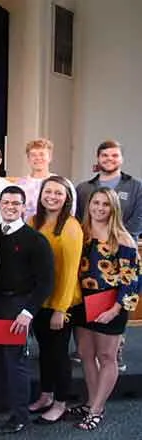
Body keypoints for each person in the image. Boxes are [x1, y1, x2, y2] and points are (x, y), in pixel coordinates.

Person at [69, 188, 139, 431]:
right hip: (83, 301)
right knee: (86, 354)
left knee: (107, 357)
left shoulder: (123, 238)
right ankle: (90, 402)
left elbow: (131, 280)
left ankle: (98, 409)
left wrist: (115, 309)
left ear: (113, 209)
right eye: (95, 203)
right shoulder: (82, 232)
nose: (99, 208)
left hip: (111, 302)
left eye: (105, 204)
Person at [0, 185, 54, 435]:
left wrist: (27, 313)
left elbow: (45, 282)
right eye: (6, 202)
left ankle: (19, 416)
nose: (10, 207)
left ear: (25, 207)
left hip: (16, 307)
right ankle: (5, 402)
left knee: (14, 361)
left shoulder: (36, 240)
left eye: (16, 203)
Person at [75, 140, 141, 372]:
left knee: (109, 345)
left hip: (119, 253)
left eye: (114, 156)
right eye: (104, 156)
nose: (109, 159)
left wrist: (120, 238)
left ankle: (116, 350)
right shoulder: (84, 188)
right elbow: (80, 218)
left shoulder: (135, 186)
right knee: (88, 345)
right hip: (89, 260)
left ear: (121, 158)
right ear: (98, 159)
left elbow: (137, 218)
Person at [27, 176, 83, 424]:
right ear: (41, 195)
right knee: (45, 353)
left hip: (62, 302)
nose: (52, 196)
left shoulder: (71, 227)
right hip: (39, 300)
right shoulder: (33, 222)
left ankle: (61, 402)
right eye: (48, 191)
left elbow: (71, 273)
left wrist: (61, 309)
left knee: (59, 355)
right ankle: (46, 395)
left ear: (67, 198)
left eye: (58, 193)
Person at [16, 138, 77, 221]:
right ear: (28, 159)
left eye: (42, 154)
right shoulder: (19, 185)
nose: (37, 158)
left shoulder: (63, 183)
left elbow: (71, 212)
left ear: (50, 157)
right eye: (33, 155)